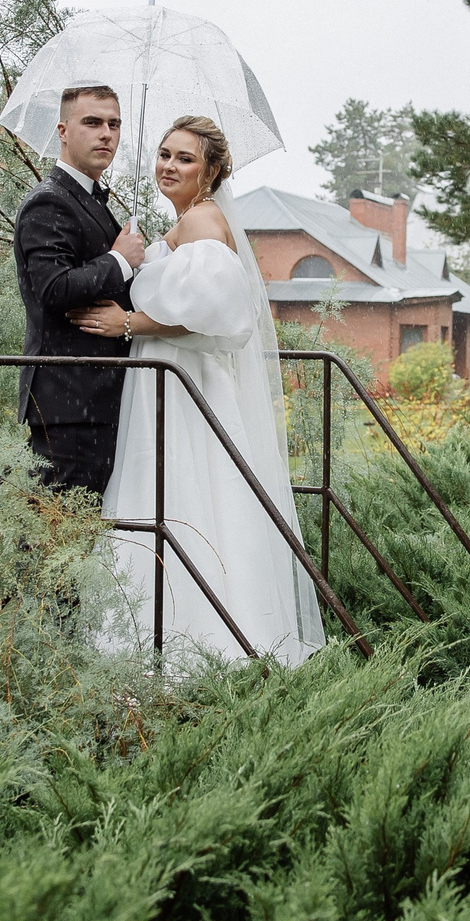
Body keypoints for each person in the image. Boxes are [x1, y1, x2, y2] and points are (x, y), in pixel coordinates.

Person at [68, 115, 325, 666]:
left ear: (209, 172)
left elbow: (217, 313)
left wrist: (131, 324)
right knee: (171, 486)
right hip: (164, 377)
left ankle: (195, 640)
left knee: (184, 485)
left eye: (185, 159)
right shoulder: (187, 221)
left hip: (182, 380)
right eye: (164, 154)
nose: (169, 165)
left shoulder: (204, 222)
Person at [11, 85, 146, 494]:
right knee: (57, 536)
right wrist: (120, 260)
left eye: (114, 124)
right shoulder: (48, 203)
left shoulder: (92, 201)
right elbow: (53, 290)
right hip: (68, 402)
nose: (107, 133)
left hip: (95, 400)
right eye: (93, 122)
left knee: (80, 536)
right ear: (63, 130)